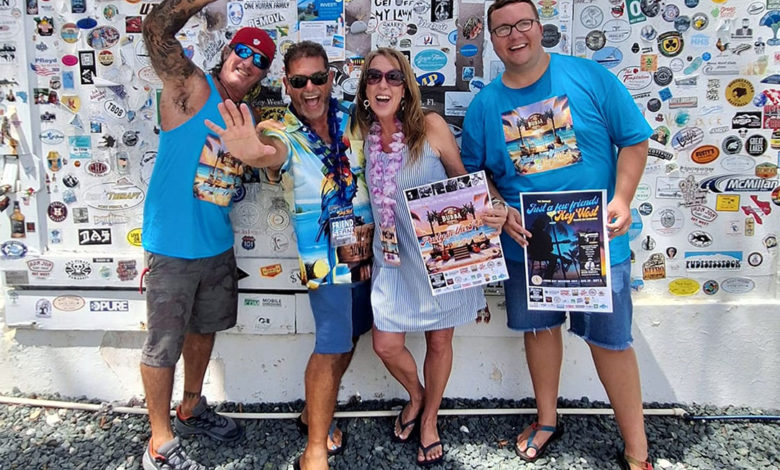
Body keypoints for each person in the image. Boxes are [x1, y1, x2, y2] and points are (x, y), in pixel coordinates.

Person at [461, 1, 653, 470]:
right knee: (540, 332)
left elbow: (634, 139)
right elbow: (475, 172)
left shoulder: (590, 78)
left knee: (611, 342)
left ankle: (638, 447)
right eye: (502, 28)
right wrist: (500, 208)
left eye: (523, 23)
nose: (515, 34)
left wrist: (623, 197)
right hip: (527, 243)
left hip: (598, 240)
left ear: (540, 27)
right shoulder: (486, 105)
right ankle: (547, 420)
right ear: (491, 39)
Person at [205, 41, 374, 470]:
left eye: (319, 78)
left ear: (330, 78)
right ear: (287, 85)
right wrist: (251, 151)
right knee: (331, 344)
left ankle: (311, 416)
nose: (311, 88)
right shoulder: (280, 130)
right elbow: (268, 153)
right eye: (300, 81)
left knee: (351, 335)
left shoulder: (354, 119)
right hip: (322, 257)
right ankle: (313, 451)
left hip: (368, 251)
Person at [352, 47, 507, 467]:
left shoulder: (431, 127)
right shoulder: (360, 135)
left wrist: (495, 206)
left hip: (440, 255)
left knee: (440, 341)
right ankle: (416, 395)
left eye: (393, 77)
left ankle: (429, 420)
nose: (383, 84)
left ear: (406, 87)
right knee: (386, 344)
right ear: (365, 88)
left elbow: (465, 180)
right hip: (392, 260)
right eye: (374, 77)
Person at [141, 2, 276, 468]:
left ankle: (192, 405)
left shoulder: (248, 114)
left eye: (260, 61)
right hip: (173, 246)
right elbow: (156, 28)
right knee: (163, 344)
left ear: (262, 75)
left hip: (217, 244)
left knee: (203, 334)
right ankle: (159, 442)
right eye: (243, 51)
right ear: (226, 53)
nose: (249, 62)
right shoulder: (192, 88)